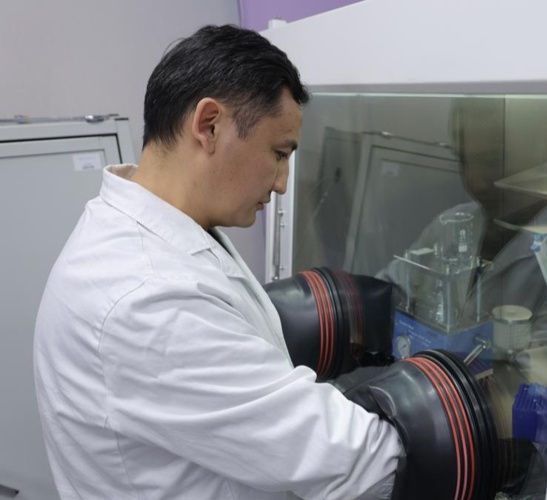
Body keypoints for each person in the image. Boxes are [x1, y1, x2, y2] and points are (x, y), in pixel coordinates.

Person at [32, 25, 402, 500]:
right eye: (279, 153)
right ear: (209, 125)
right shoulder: (146, 297)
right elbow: (354, 463)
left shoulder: (152, 231)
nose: (282, 182)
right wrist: (464, 417)